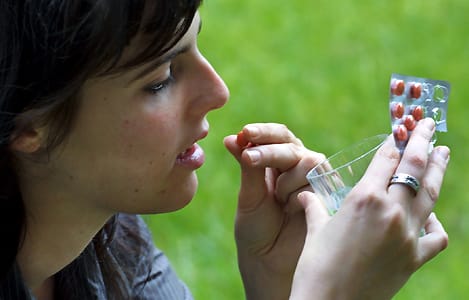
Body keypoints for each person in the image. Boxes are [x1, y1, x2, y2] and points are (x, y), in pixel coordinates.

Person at [0, 1, 450, 299]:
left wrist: (275, 282)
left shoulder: (118, 248)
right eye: (159, 80)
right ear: (29, 124)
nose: (219, 92)